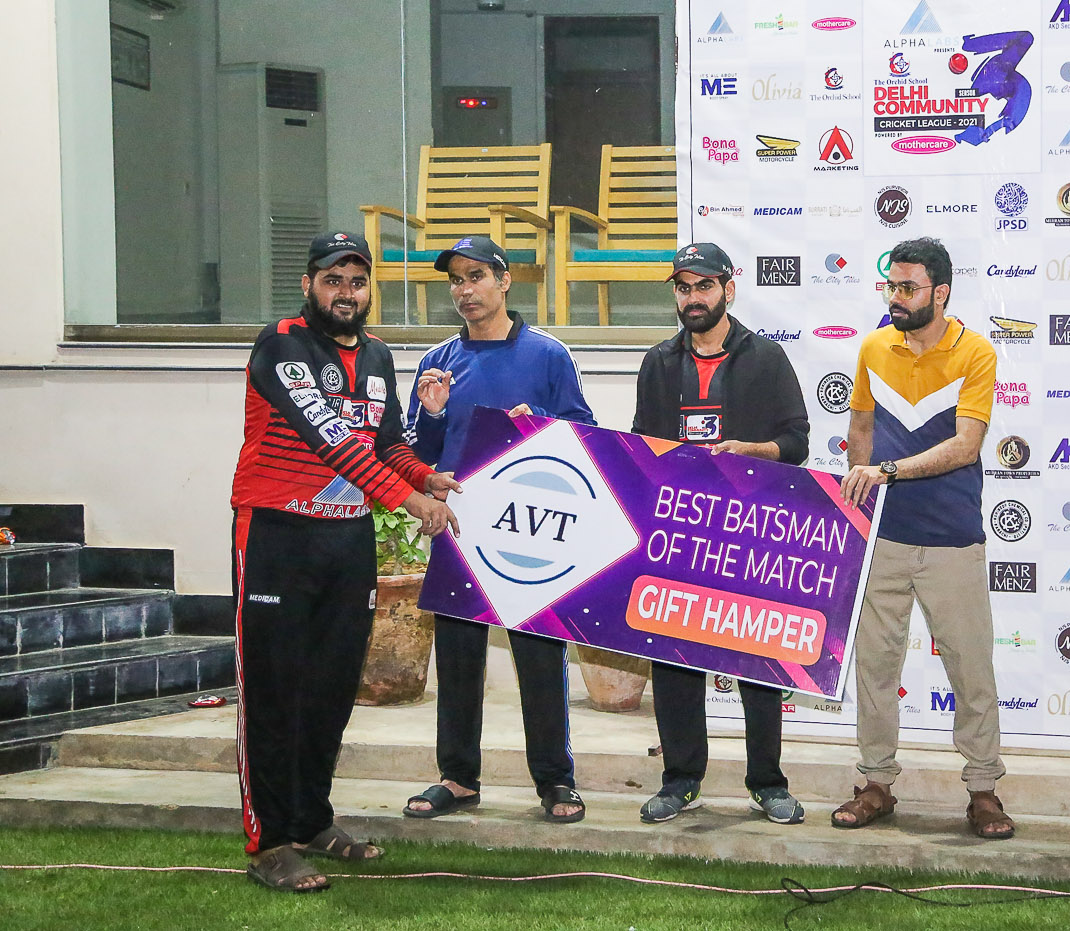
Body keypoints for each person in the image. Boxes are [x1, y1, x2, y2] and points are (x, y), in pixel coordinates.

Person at [230, 231, 459, 893]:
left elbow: (383, 442)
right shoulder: (282, 344)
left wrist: (424, 475)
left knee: (330, 689)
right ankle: (270, 842)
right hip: (276, 535)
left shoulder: (379, 355)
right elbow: (332, 438)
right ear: (308, 285)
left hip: (346, 539)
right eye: (333, 280)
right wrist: (410, 501)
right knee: (273, 692)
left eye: (357, 281)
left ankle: (310, 820)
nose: (346, 293)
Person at [400, 235, 595, 825]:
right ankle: (457, 778)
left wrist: (541, 427)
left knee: (540, 657)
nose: (465, 290)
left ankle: (556, 781)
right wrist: (433, 413)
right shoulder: (438, 363)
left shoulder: (548, 355)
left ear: (505, 280)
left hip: (531, 531)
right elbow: (417, 456)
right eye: (456, 280)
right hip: (461, 527)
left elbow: (585, 436)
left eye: (477, 276)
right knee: (458, 658)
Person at [833, 236, 1015, 841]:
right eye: (891, 285)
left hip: (952, 539)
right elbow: (860, 426)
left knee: (970, 667)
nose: (895, 296)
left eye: (908, 287)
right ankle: (875, 784)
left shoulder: (976, 352)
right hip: (882, 539)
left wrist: (886, 472)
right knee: (875, 668)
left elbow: (966, 446)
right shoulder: (873, 346)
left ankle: (983, 789)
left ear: (941, 293)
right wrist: (860, 493)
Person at [631, 242, 810, 825]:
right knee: (674, 658)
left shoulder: (767, 358)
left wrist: (754, 452)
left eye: (704, 286)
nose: (693, 298)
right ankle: (681, 780)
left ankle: (768, 782)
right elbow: (641, 443)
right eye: (683, 288)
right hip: (680, 532)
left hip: (749, 533)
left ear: (728, 289)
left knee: (758, 660)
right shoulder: (659, 362)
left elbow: (798, 441)